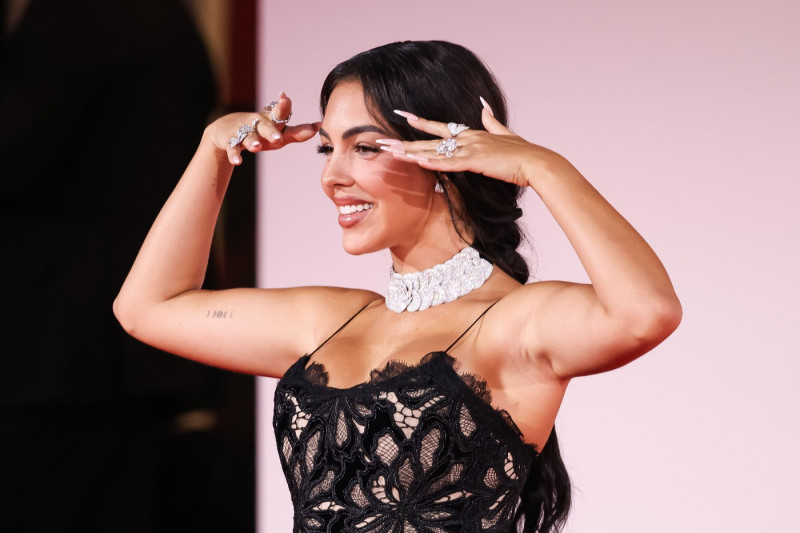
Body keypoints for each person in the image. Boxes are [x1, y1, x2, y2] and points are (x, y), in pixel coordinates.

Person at [114, 40, 681, 532]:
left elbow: (645, 311)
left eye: (363, 147)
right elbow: (148, 307)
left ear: (446, 158)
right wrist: (214, 151)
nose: (332, 176)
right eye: (326, 147)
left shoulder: (512, 323)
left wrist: (543, 166)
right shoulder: (331, 320)